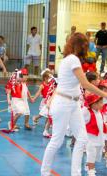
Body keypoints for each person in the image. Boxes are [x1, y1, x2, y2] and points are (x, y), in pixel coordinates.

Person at [41, 33, 107, 176]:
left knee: (82, 138)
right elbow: (85, 84)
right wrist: (105, 94)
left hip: (73, 104)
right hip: (65, 104)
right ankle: (44, 173)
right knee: (57, 141)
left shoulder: (69, 59)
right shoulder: (73, 60)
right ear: (79, 45)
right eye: (85, 44)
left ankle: (75, 173)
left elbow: (70, 84)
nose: (87, 46)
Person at [83, 94, 106, 176]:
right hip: (90, 139)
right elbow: (81, 122)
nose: (102, 104)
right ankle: (91, 170)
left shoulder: (99, 112)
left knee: (96, 155)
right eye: (100, 103)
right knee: (91, 155)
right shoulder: (87, 112)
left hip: (99, 138)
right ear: (93, 104)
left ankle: (87, 166)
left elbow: (101, 124)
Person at [32, 69, 55, 138]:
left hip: (50, 100)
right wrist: (34, 99)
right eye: (49, 78)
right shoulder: (42, 85)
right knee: (42, 114)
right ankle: (35, 118)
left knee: (47, 115)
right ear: (45, 78)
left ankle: (46, 128)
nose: (51, 79)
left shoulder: (52, 84)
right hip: (45, 101)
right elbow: (38, 93)